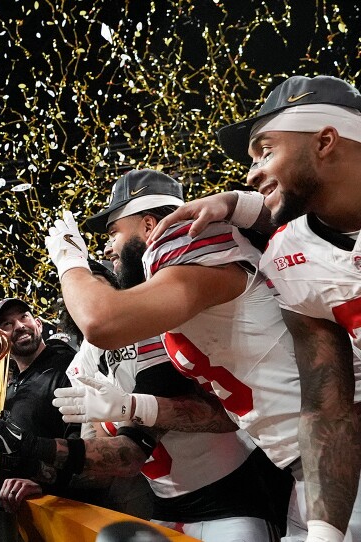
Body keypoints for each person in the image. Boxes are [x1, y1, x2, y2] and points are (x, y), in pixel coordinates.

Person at [148, 75, 361, 542]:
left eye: (266, 151)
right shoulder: (291, 253)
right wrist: (326, 534)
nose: (251, 172)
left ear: (326, 140)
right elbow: (328, 406)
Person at [40, 169, 309, 537]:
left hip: (304, 456)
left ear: (150, 224)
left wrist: (70, 263)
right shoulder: (164, 305)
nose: (106, 249)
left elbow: (100, 320)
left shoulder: (182, 242)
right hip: (301, 459)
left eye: (114, 232)